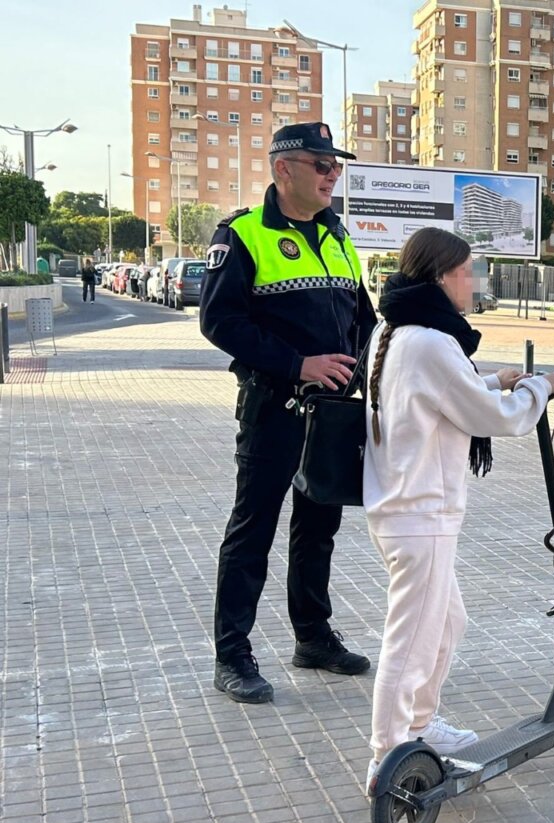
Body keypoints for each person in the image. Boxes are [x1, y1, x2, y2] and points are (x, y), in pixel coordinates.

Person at [362, 227, 554, 794]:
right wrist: (537, 390)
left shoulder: (397, 331)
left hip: (406, 511)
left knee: (446, 621)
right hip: (419, 514)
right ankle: (389, 760)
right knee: (409, 644)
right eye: (467, 271)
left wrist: (491, 379)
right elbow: (491, 418)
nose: (473, 281)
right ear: (440, 277)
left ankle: (423, 726)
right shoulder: (430, 341)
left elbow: (439, 395)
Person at [200, 121, 375, 703]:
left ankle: (313, 637)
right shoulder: (244, 234)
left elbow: (363, 319)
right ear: (284, 169)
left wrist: (371, 369)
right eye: (321, 164)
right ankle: (233, 656)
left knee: (318, 526)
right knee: (253, 531)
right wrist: (298, 364)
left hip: (333, 414)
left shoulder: (337, 234)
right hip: (275, 408)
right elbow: (220, 322)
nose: (333, 174)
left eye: (336, 165)